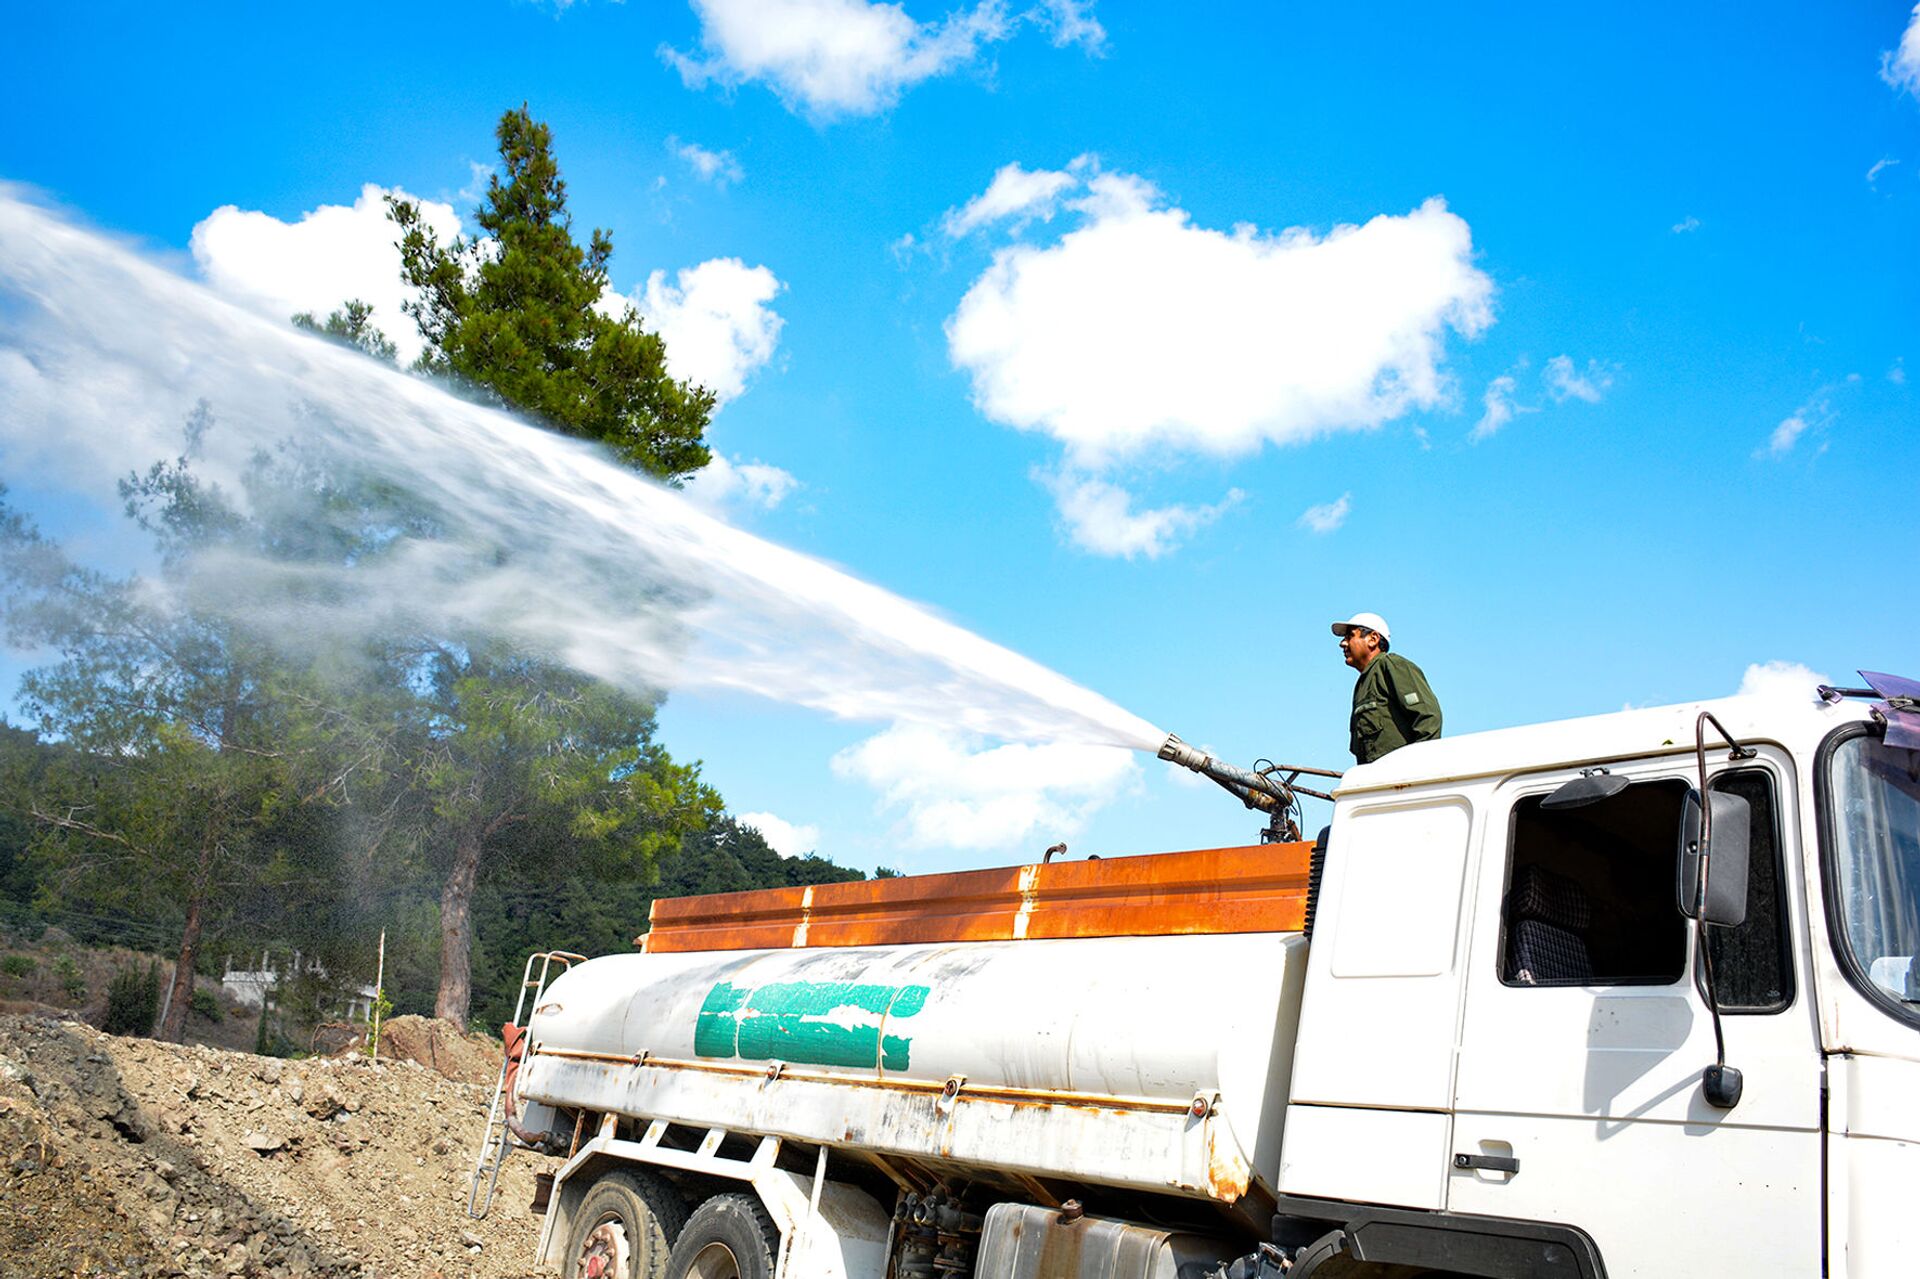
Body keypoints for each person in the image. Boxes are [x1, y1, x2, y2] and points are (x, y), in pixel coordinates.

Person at [1332, 612, 1442, 765]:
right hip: (1379, 782)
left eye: (1350, 636)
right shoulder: (1362, 684)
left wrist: (1419, 769)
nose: (1343, 643)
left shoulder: (1391, 666)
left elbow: (1428, 717)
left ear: (1373, 639)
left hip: (1401, 781)